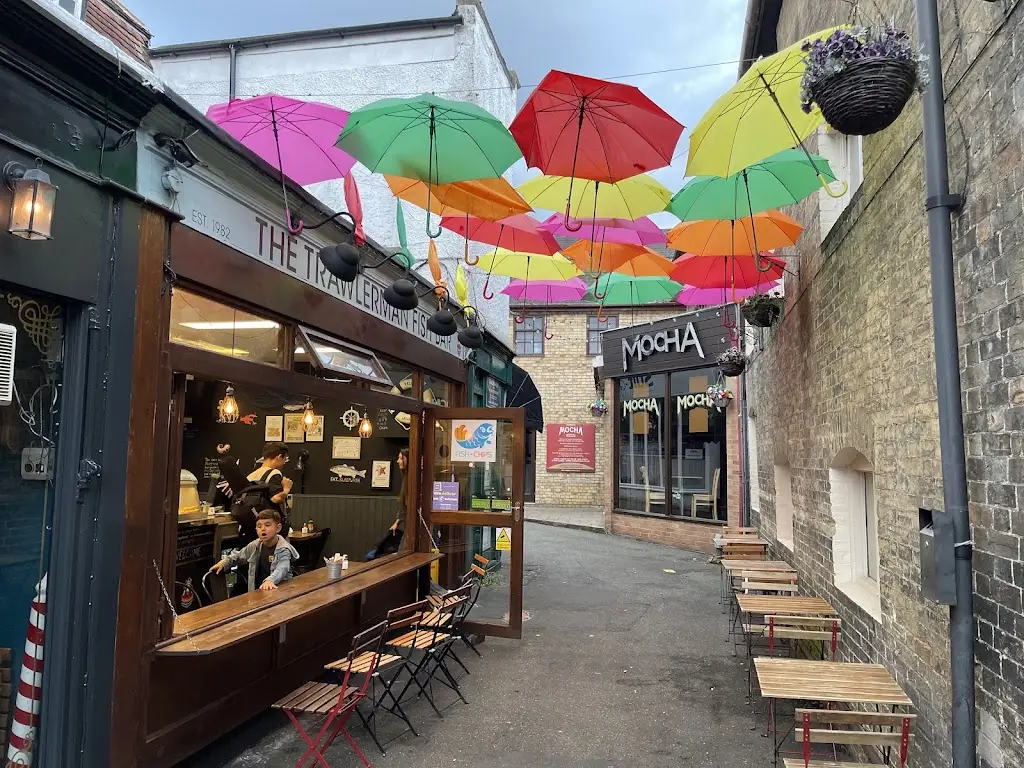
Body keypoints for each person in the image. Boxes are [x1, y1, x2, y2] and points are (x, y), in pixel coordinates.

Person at [209, 509, 298, 592]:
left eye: (267, 525)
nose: (263, 529)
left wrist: (270, 580)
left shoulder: (283, 549)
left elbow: (282, 568)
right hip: (257, 592)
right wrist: (224, 563)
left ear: (278, 528)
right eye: (259, 526)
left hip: (279, 591)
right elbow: (239, 556)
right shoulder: (256, 545)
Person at [366, 448, 408, 560]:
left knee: (403, 553)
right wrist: (397, 523)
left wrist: (398, 522)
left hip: (413, 526)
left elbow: (407, 506)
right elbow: (404, 506)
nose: (398, 461)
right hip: (408, 524)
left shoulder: (411, 480)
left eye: (401, 458)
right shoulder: (406, 478)